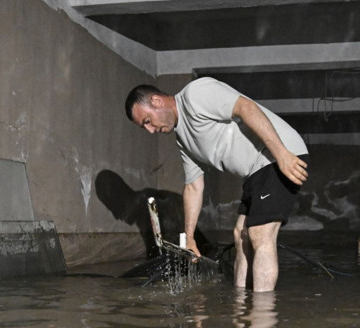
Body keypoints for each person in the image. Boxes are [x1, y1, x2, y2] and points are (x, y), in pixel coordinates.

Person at [125, 77, 309, 292]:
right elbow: (193, 186)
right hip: (256, 171)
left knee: (260, 233)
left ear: (157, 101)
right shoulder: (183, 139)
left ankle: (262, 311)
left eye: (147, 121)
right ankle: (241, 304)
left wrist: (281, 154)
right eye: (144, 127)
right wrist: (190, 238)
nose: (150, 130)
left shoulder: (195, 94)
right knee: (241, 235)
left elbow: (245, 107)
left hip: (277, 155)